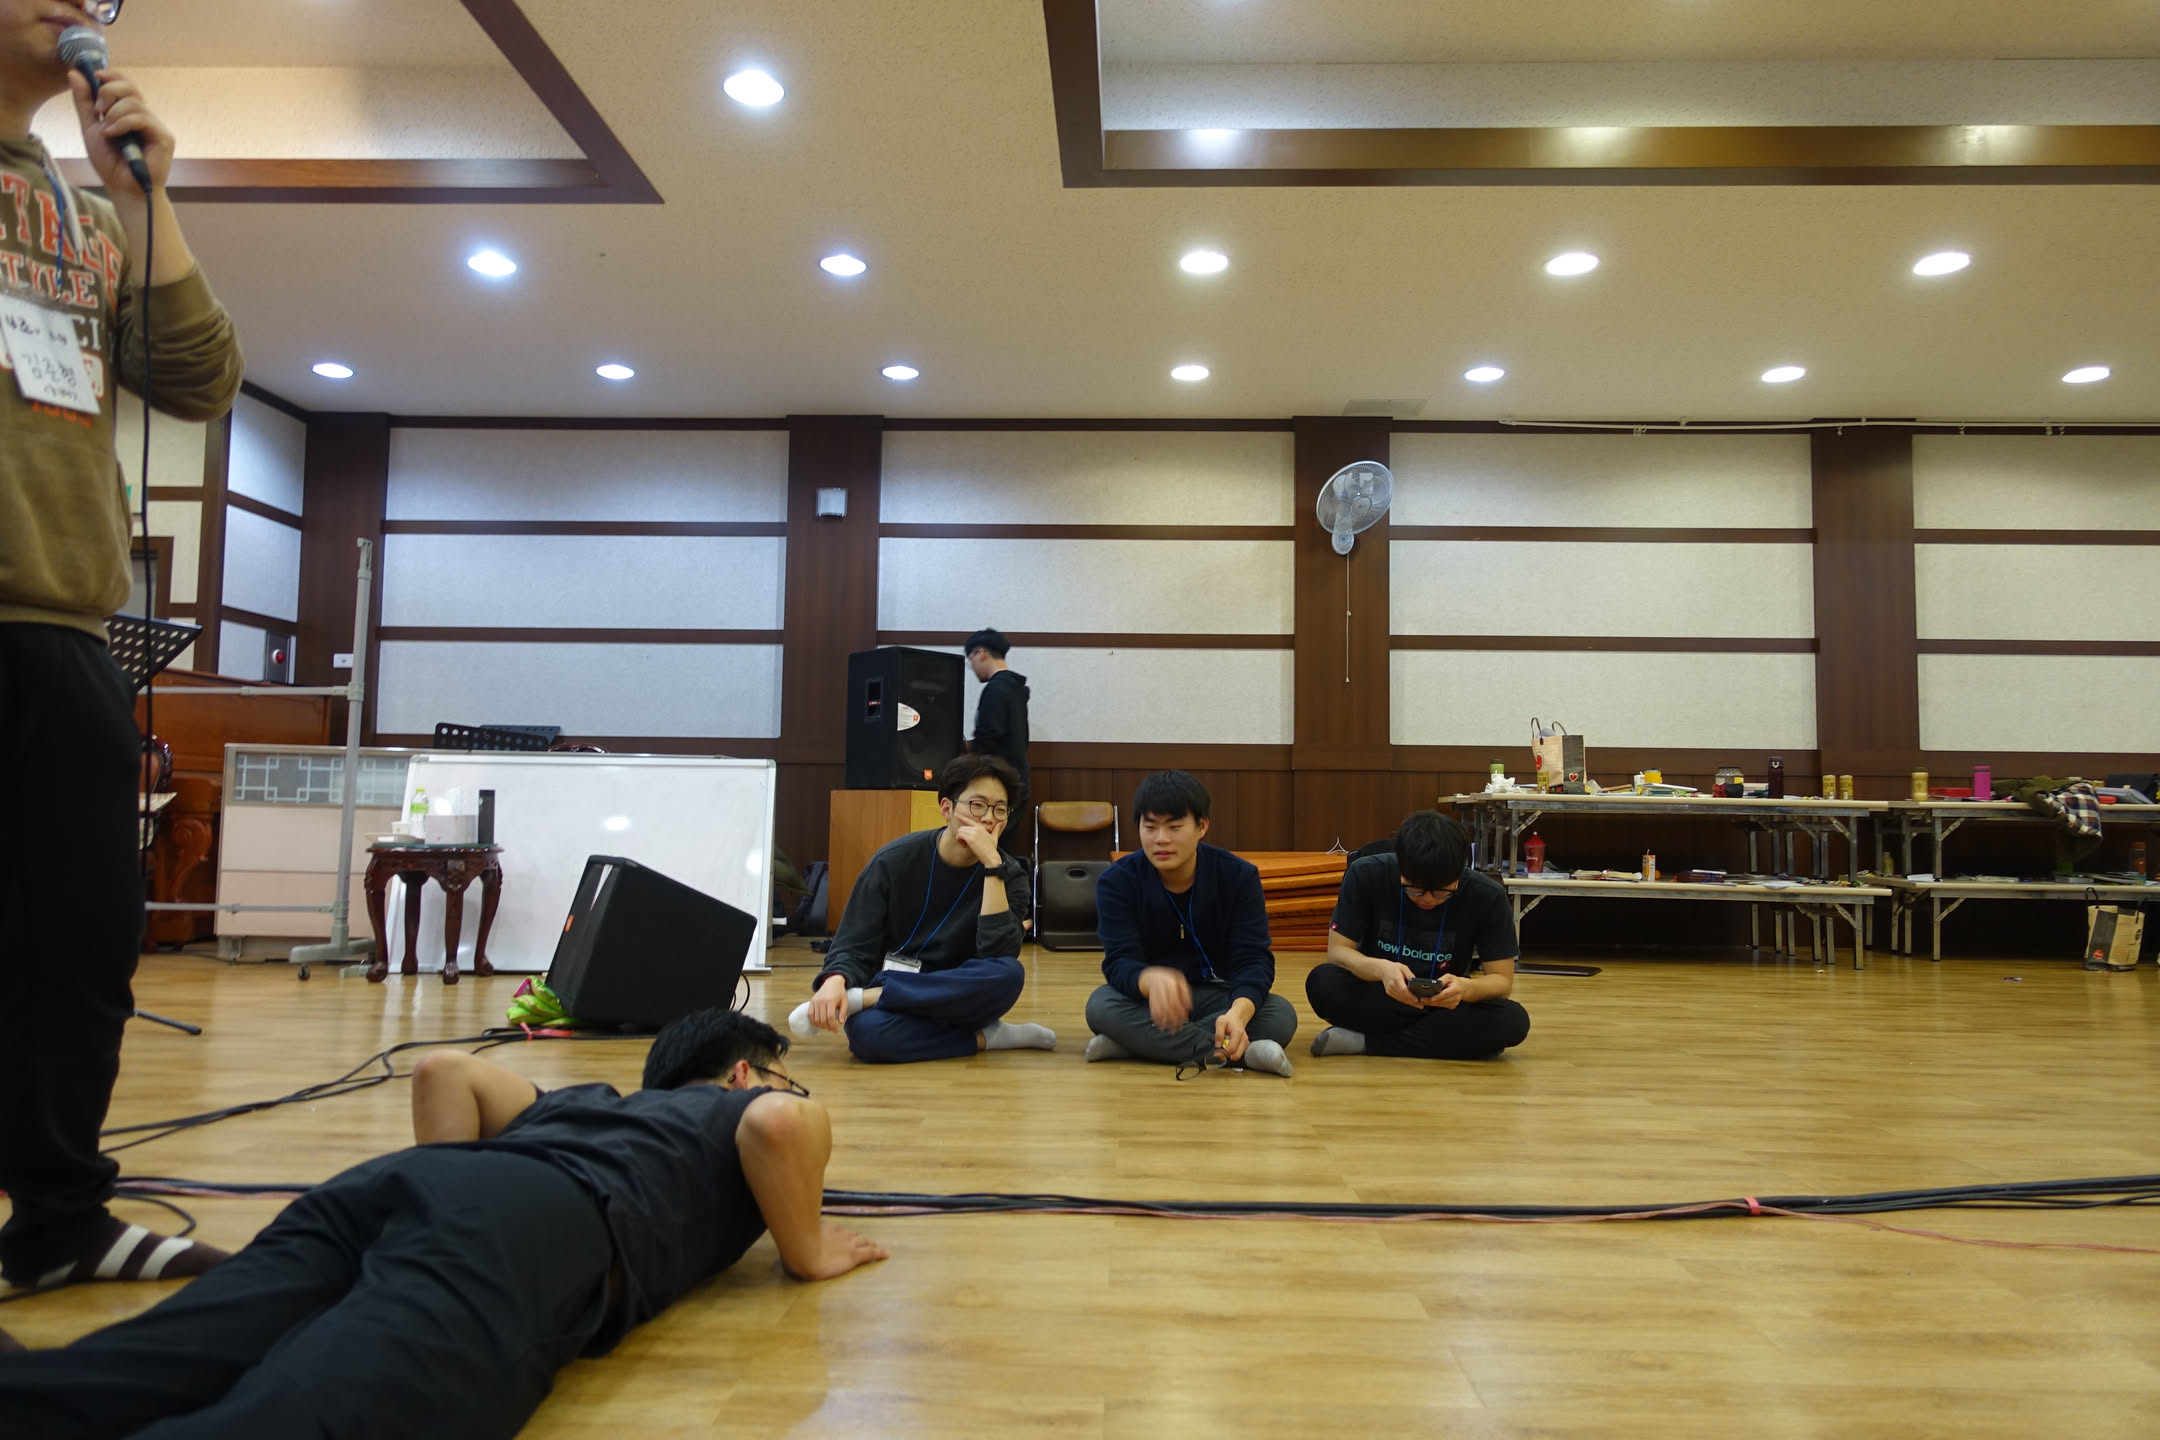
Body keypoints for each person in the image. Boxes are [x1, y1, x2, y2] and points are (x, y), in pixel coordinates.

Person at [0, 1009, 888, 1437]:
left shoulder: (584, 1099)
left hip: (407, 1186)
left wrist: (446, 1197)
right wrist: (808, 1251)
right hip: (534, 1222)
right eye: (787, 1074)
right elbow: (783, 1127)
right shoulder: (741, 1109)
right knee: (318, 1416)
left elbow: (442, 1071)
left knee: (146, 1361)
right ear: (744, 1073)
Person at [1, 0, 245, 1308]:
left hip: (65, 630)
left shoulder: (87, 214)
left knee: (81, 948)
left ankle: (58, 1222)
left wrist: (145, 202)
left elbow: (200, 379)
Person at [791, 753, 1055, 1062]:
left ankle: (867, 998)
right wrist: (834, 981)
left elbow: (998, 954)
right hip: (908, 993)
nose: (988, 818)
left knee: (1009, 974)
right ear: (946, 808)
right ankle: (988, 1038)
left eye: (999, 809)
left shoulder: (1009, 874)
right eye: (977, 805)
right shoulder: (893, 861)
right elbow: (854, 940)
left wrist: (992, 867)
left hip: (954, 991)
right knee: (868, 1035)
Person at [1084, 771, 1297, 1076]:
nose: (1161, 839)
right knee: (1101, 1005)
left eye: (1174, 827)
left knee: (1280, 1014)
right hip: (1150, 1003)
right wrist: (1149, 979)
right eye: (1150, 827)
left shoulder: (1238, 877)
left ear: (1202, 827)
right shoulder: (1117, 882)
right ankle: (1242, 1053)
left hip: (1218, 995)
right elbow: (1119, 962)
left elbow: (1254, 959)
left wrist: (1238, 1013)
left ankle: (1134, 1045)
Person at [1305, 810, 1530, 1060]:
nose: (1428, 899)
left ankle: (1365, 1042)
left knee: (1513, 1020)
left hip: (1444, 1003)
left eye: (1442, 892)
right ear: (1400, 866)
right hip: (1382, 995)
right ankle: (1448, 1041)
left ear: (1460, 874)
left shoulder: (1487, 895)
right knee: (1322, 982)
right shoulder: (1366, 873)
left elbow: (1502, 982)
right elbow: (1338, 953)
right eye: (1415, 889)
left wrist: (1466, 989)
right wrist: (1382, 970)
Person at [965, 627, 1030, 856]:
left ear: (980, 653)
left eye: (971, 660)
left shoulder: (995, 690)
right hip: (1018, 780)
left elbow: (988, 739)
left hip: (998, 784)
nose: (972, 668)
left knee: (987, 850)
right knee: (1003, 851)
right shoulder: (1016, 690)